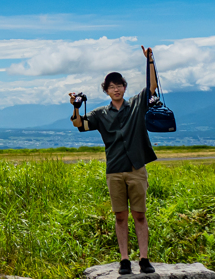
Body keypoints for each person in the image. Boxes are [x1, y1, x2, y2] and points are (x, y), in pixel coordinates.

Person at [70, 46, 158, 276]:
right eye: (111, 86)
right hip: (115, 170)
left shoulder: (137, 105)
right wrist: (75, 108)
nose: (116, 89)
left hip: (136, 167)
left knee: (140, 214)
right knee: (120, 216)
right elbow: (80, 125)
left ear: (124, 87)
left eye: (119, 85)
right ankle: (124, 260)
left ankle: (144, 259)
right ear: (106, 91)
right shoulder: (100, 113)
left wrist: (150, 61)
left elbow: (152, 87)